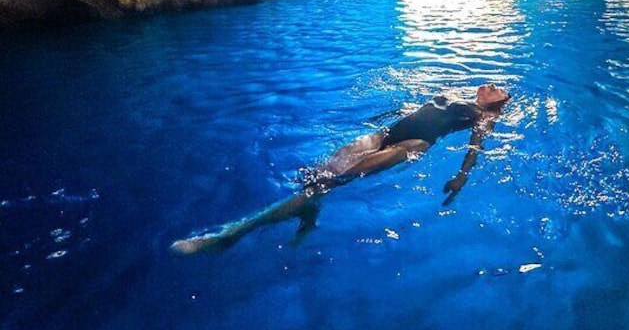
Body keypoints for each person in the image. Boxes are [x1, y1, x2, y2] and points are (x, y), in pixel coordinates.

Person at [170, 84, 511, 254]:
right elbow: (417, 108)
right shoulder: (459, 95)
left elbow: (475, 147)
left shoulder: (484, 117)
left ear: (496, 102)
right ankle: (308, 211)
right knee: (320, 173)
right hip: (389, 133)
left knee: (326, 182)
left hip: (412, 145)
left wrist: (460, 178)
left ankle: (232, 234)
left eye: (498, 89)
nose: (492, 85)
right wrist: (381, 120)